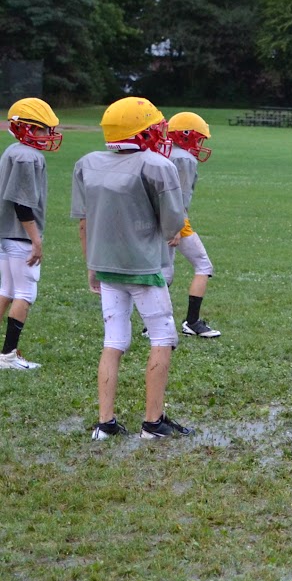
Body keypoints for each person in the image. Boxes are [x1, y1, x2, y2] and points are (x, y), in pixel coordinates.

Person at [72, 97, 191, 439]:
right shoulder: (156, 165)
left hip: (106, 267)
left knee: (114, 341)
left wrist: (91, 264)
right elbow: (173, 224)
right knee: (163, 338)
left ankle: (105, 424)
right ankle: (153, 423)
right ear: (142, 132)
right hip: (143, 267)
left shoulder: (89, 163)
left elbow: (84, 223)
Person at [0, 98, 61, 370]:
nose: (48, 135)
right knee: (25, 292)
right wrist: (36, 239)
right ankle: (9, 355)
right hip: (18, 235)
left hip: (4, 234)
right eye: (43, 129)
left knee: (6, 290)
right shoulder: (27, 156)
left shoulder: (13, 150)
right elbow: (22, 203)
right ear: (26, 128)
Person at [164, 112, 222, 338]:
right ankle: (192, 321)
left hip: (156, 217)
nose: (199, 144)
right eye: (198, 138)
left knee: (164, 272)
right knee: (203, 266)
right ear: (186, 135)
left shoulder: (163, 151)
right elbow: (179, 195)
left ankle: (154, 325)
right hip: (175, 218)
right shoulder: (184, 158)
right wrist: (177, 225)